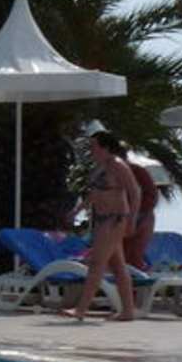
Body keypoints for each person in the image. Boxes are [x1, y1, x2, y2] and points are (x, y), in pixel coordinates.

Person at [65, 131, 141, 321]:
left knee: (97, 263)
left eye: (94, 146)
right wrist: (77, 210)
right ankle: (128, 311)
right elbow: (95, 193)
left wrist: (132, 220)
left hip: (114, 219)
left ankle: (81, 309)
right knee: (117, 266)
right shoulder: (100, 166)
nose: (91, 150)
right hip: (101, 219)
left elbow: (135, 192)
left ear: (105, 147)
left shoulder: (118, 165)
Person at [124, 155, 160, 270]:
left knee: (132, 255)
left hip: (139, 215)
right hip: (137, 214)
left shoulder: (135, 171)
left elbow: (150, 196)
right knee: (128, 255)